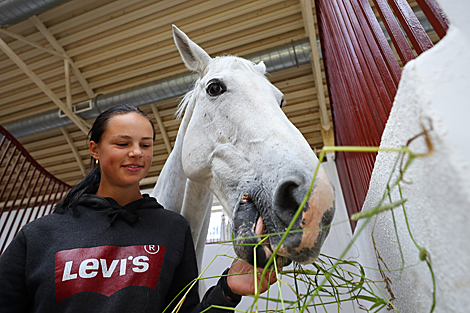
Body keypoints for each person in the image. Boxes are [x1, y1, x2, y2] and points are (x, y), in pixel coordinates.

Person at [0, 104, 276, 313]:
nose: (136, 152)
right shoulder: (40, 235)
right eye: (123, 143)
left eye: (145, 145)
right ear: (94, 149)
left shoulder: (171, 228)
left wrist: (227, 290)